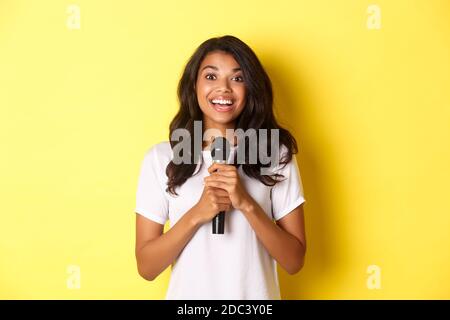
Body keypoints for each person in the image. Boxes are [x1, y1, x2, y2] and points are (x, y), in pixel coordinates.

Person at [134, 35, 307, 299]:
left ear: (251, 88)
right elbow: (147, 267)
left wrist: (246, 203)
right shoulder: (162, 157)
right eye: (211, 77)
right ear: (194, 85)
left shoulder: (275, 153)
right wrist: (198, 213)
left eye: (237, 78)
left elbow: (294, 261)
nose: (224, 88)